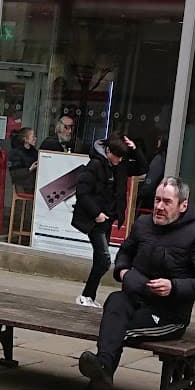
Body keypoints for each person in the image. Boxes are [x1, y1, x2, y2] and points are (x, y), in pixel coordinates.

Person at [58, 176, 195, 390]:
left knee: (115, 334)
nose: (159, 206)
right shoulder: (143, 224)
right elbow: (124, 254)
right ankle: (99, 372)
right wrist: (122, 271)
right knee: (114, 301)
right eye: (157, 200)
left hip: (167, 316)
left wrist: (174, 286)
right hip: (134, 298)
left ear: (183, 206)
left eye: (167, 202)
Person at [71, 132, 147, 308]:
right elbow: (82, 192)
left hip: (108, 218)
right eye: (116, 156)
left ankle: (88, 296)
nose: (119, 160)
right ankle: (86, 296)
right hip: (95, 220)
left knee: (100, 259)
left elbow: (142, 168)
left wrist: (135, 150)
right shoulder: (95, 165)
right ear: (107, 151)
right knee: (104, 259)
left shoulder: (121, 166)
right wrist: (96, 213)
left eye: (122, 157)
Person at [139, 135, 167, 210]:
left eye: (160, 139)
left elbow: (149, 186)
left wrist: (139, 194)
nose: (158, 141)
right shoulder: (166, 158)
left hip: (150, 202)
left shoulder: (159, 159)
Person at [8, 127, 38, 193]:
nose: (35, 138)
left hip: (33, 185)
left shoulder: (35, 152)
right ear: (25, 139)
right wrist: (30, 168)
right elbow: (14, 174)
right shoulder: (15, 153)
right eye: (33, 137)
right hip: (23, 187)